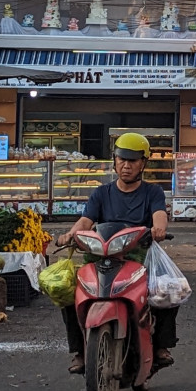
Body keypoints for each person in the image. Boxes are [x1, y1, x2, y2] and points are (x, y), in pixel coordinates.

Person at [59, 132, 177, 375]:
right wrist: (71, 234)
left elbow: (159, 214)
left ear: (143, 163)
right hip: (99, 255)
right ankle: (81, 351)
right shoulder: (101, 193)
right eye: (122, 159)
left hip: (137, 255)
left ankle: (161, 346)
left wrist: (159, 229)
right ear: (114, 160)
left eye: (133, 161)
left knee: (168, 289)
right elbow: (85, 220)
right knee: (69, 292)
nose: (126, 165)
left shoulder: (152, 192)